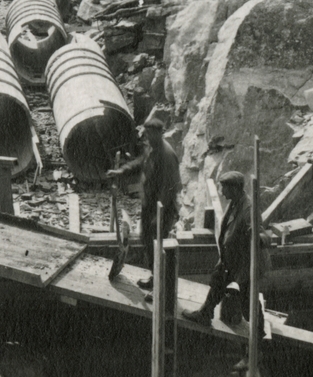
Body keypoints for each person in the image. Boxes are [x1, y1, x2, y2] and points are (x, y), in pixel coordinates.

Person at [107, 117, 181, 291]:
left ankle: (161, 286)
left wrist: (159, 214)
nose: (145, 136)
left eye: (148, 133)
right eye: (145, 132)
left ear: (157, 133)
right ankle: (156, 278)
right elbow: (140, 163)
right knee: (147, 240)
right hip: (150, 204)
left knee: (156, 243)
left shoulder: (167, 154)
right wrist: (121, 170)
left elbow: (170, 188)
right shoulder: (152, 148)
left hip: (162, 208)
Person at [183, 171, 255, 327]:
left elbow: (257, 233)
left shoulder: (248, 210)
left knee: (248, 299)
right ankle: (205, 313)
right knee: (217, 281)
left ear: (235, 188)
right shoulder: (235, 202)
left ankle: (260, 329)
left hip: (243, 263)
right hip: (230, 258)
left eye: (224, 188)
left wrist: (258, 236)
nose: (221, 193)